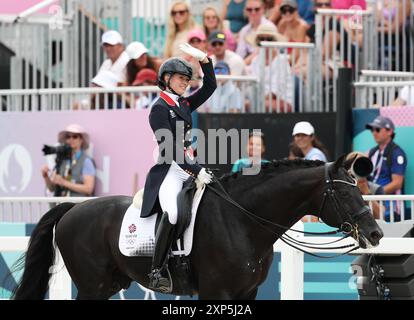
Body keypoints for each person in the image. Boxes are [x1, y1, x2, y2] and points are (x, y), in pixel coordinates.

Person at [140, 43, 217, 293]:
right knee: (172, 213)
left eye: (187, 78)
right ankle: (157, 270)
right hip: (169, 170)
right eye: (181, 78)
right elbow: (170, 149)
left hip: (189, 165)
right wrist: (196, 170)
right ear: (166, 79)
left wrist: (205, 61)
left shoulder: (183, 105)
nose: (185, 82)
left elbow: (210, 87)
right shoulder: (159, 109)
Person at [366, 116, 407, 221]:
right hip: (374, 205)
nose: (374, 133)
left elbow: (397, 183)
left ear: (390, 131)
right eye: (372, 129)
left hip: (391, 208)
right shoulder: (371, 152)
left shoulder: (397, 153)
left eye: (377, 129)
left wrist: (373, 195)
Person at [41, 124, 96, 197]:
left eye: (75, 136)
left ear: (81, 140)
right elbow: (52, 189)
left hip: (78, 206)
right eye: (68, 137)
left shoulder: (86, 161)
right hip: (60, 205)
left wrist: (64, 183)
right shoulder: (61, 160)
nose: (71, 139)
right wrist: (46, 176)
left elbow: (88, 189)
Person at [346, 151, 385, 219]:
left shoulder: (376, 189)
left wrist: (367, 193)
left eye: (363, 164)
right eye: (356, 164)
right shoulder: (342, 187)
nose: (360, 167)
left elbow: (381, 216)